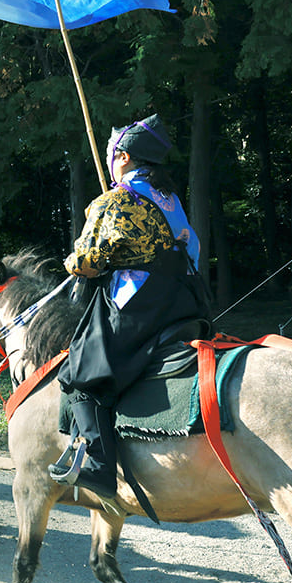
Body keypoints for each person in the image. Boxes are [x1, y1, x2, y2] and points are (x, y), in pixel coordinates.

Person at [49, 114, 210, 499]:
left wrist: (76, 257)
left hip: (140, 303)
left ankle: (98, 465)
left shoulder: (115, 201)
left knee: (80, 372)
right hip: (187, 301)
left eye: (112, 155)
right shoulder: (171, 200)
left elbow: (86, 262)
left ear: (123, 157)